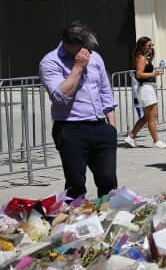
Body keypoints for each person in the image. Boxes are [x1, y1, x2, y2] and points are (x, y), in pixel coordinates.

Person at [39, 24, 118, 200]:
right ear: (68, 45)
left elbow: (105, 90)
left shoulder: (95, 58)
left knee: (108, 180)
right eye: (83, 48)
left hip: (100, 127)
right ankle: (76, 221)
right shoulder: (50, 62)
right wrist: (78, 67)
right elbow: (61, 97)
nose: (87, 52)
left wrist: (112, 125)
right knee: (76, 183)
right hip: (70, 128)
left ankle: (107, 217)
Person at [124, 37, 165, 148]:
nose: (151, 47)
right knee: (152, 116)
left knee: (147, 117)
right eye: (149, 45)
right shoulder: (141, 58)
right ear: (142, 46)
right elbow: (139, 74)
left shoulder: (145, 57)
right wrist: (154, 74)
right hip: (146, 88)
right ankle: (156, 140)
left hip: (149, 87)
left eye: (152, 45)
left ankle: (131, 136)